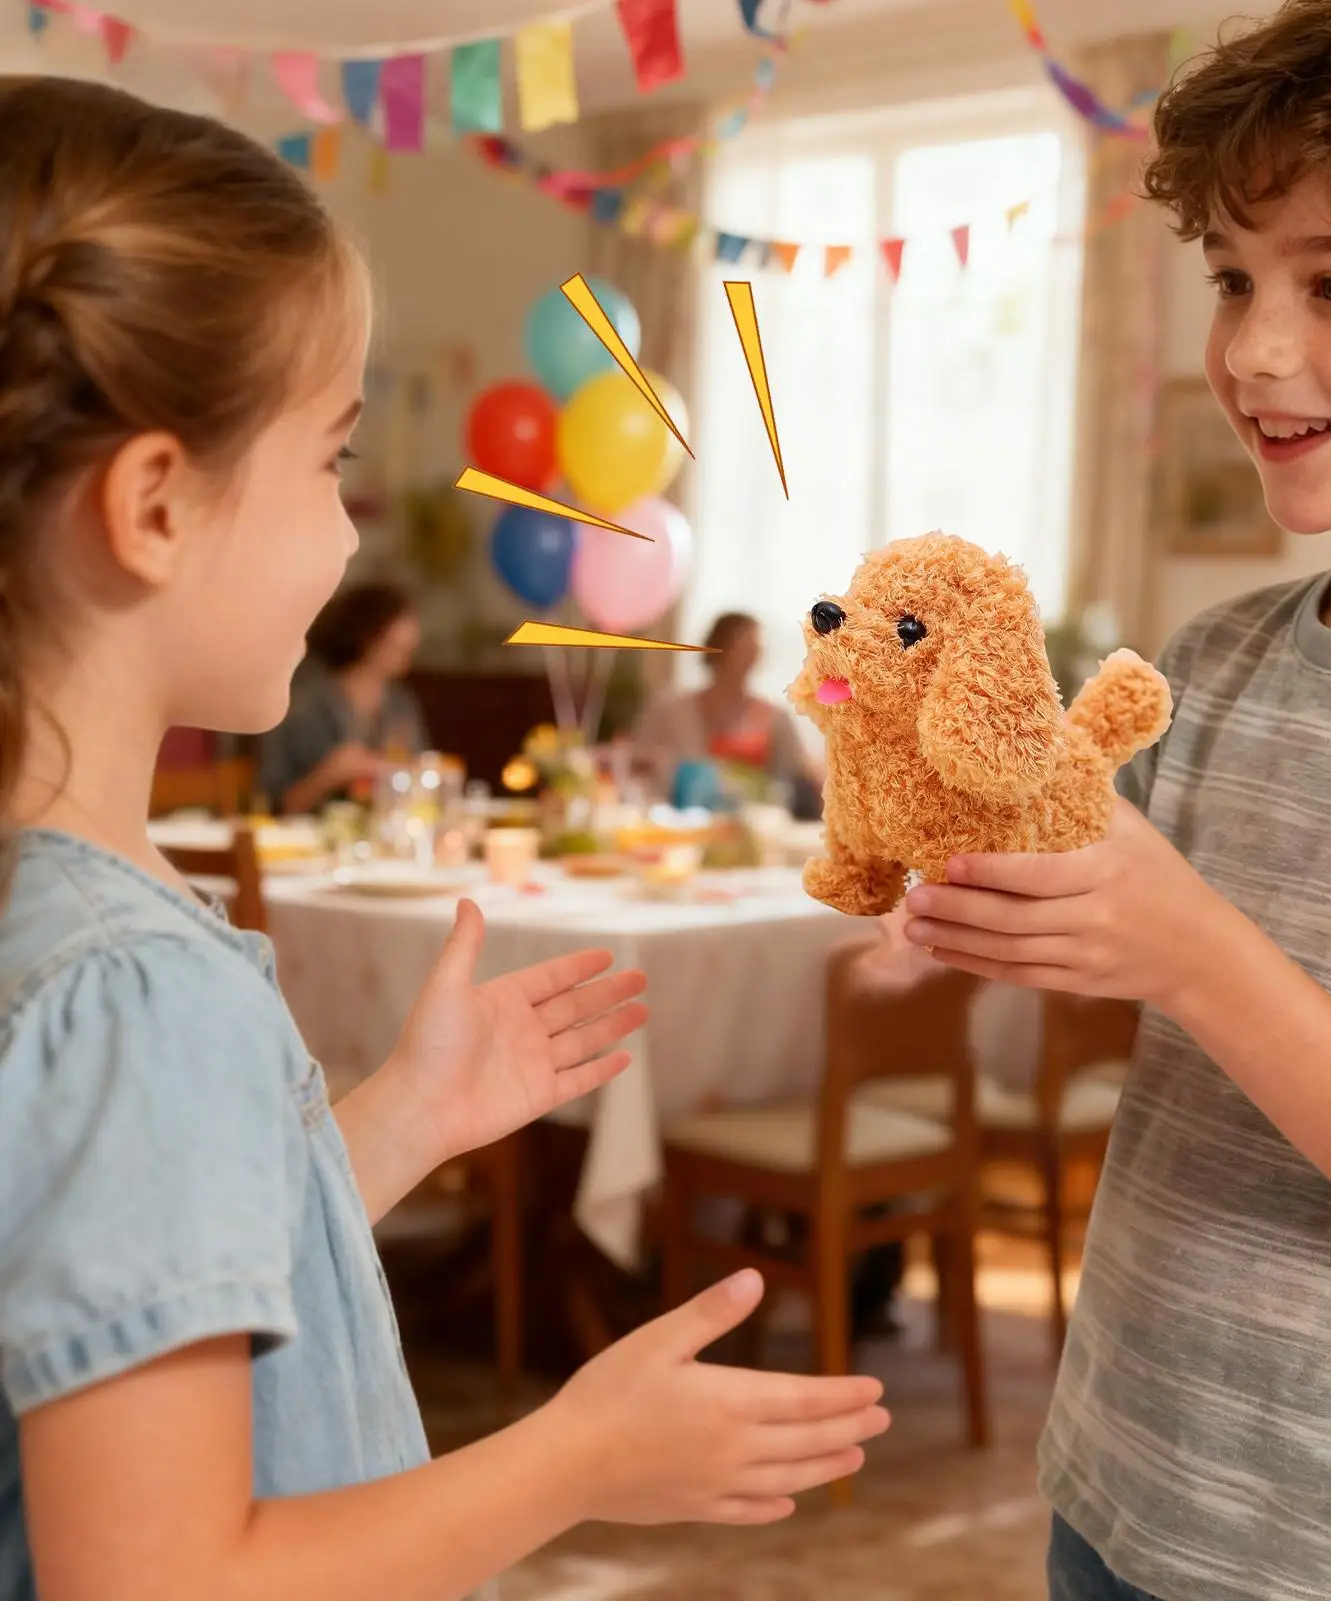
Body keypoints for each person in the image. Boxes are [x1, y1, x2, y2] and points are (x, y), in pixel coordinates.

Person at [0, 77, 890, 1601]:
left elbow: (106, 1280)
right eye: (328, 460)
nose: (351, 533)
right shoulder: (134, 990)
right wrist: (577, 1456)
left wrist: (400, 1120)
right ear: (154, 504)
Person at [899, 3, 1331, 1598]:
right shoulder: (1212, 664)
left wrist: (1192, 947)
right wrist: (965, 885)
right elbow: (1123, 974)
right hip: (1130, 1481)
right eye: (1233, 277)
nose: (1250, 347)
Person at [256, 581, 429, 814]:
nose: (411, 636)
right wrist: (328, 775)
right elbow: (273, 806)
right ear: (367, 636)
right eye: (395, 637)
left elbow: (420, 776)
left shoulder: (401, 704)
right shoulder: (301, 705)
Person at [630, 612, 821, 812]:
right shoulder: (670, 710)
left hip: (752, 828)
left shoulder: (776, 717)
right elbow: (638, 762)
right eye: (742, 647)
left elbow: (799, 774)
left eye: (755, 649)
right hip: (678, 824)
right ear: (718, 649)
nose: (750, 656)